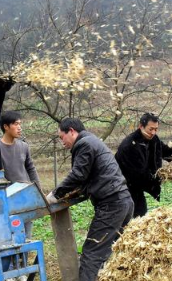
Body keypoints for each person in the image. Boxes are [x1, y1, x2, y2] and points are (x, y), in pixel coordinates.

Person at [46, 118, 134, 281]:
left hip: (111, 204)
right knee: (115, 251)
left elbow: (78, 175)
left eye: (61, 137)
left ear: (71, 131)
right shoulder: (93, 141)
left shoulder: (84, 144)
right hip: (124, 200)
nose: (62, 142)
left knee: (92, 253)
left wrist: (55, 194)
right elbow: (90, 176)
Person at [115, 112, 172, 217]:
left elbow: (167, 151)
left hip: (136, 188)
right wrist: (164, 175)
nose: (153, 132)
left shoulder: (153, 140)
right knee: (127, 217)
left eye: (156, 129)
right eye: (151, 129)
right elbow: (139, 175)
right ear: (141, 126)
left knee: (140, 214)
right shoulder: (130, 145)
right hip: (122, 188)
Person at [0, 110, 40, 281]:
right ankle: (8, 272)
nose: (19, 127)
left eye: (20, 124)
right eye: (16, 124)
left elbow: (31, 169)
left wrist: (37, 190)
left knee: (25, 237)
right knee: (7, 238)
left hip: (26, 199)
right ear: (6, 127)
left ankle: (21, 270)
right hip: (7, 200)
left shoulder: (23, 146)